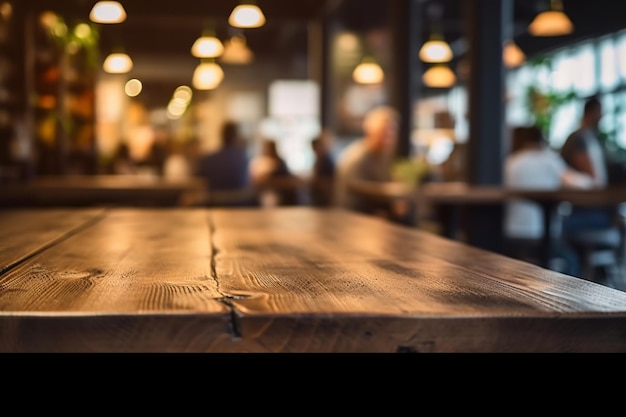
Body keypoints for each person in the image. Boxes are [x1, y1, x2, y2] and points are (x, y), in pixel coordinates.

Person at [503, 125, 594, 276]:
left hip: (511, 233)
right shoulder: (549, 160)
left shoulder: (511, 162)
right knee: (571, 260)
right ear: (541, 140)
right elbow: (583, 184)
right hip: (540, 235)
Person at [334, 105, 415, 226]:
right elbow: (357, 195)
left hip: (373, 215)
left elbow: (386, 184)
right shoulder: (356, 158)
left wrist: (396, 203)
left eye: (392, 132)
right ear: (370, 132)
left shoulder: (383, 156)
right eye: (385, 133)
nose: (389, 138)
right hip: (352, 220)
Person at [559, 96, 615, 235]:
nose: (602, 116)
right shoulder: (579, 138)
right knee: (558, 231)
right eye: (600, 112)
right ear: (593, 112)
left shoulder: (590, 138)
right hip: (583, 209)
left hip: (596, 209)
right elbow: (593, 181)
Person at [196, 121, 252, 205]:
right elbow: (245, 182)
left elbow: (200, 178)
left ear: (221, 136)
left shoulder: (209, 158)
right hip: (239, 205)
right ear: (235, 136)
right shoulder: (243, 157)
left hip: (215, 204)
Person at [249, 138, 301, 206]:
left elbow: (286, 176)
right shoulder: (260, 162)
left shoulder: (280, 161)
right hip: (268, 191)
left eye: (272, 147)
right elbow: (258, 181)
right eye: (268, 147)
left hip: (282, 190)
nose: (270, 150)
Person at [310, 130, 336, 207]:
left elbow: (329, 181)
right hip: (320, 196)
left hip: (325, 197)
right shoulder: (320, 159)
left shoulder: (327, 160)